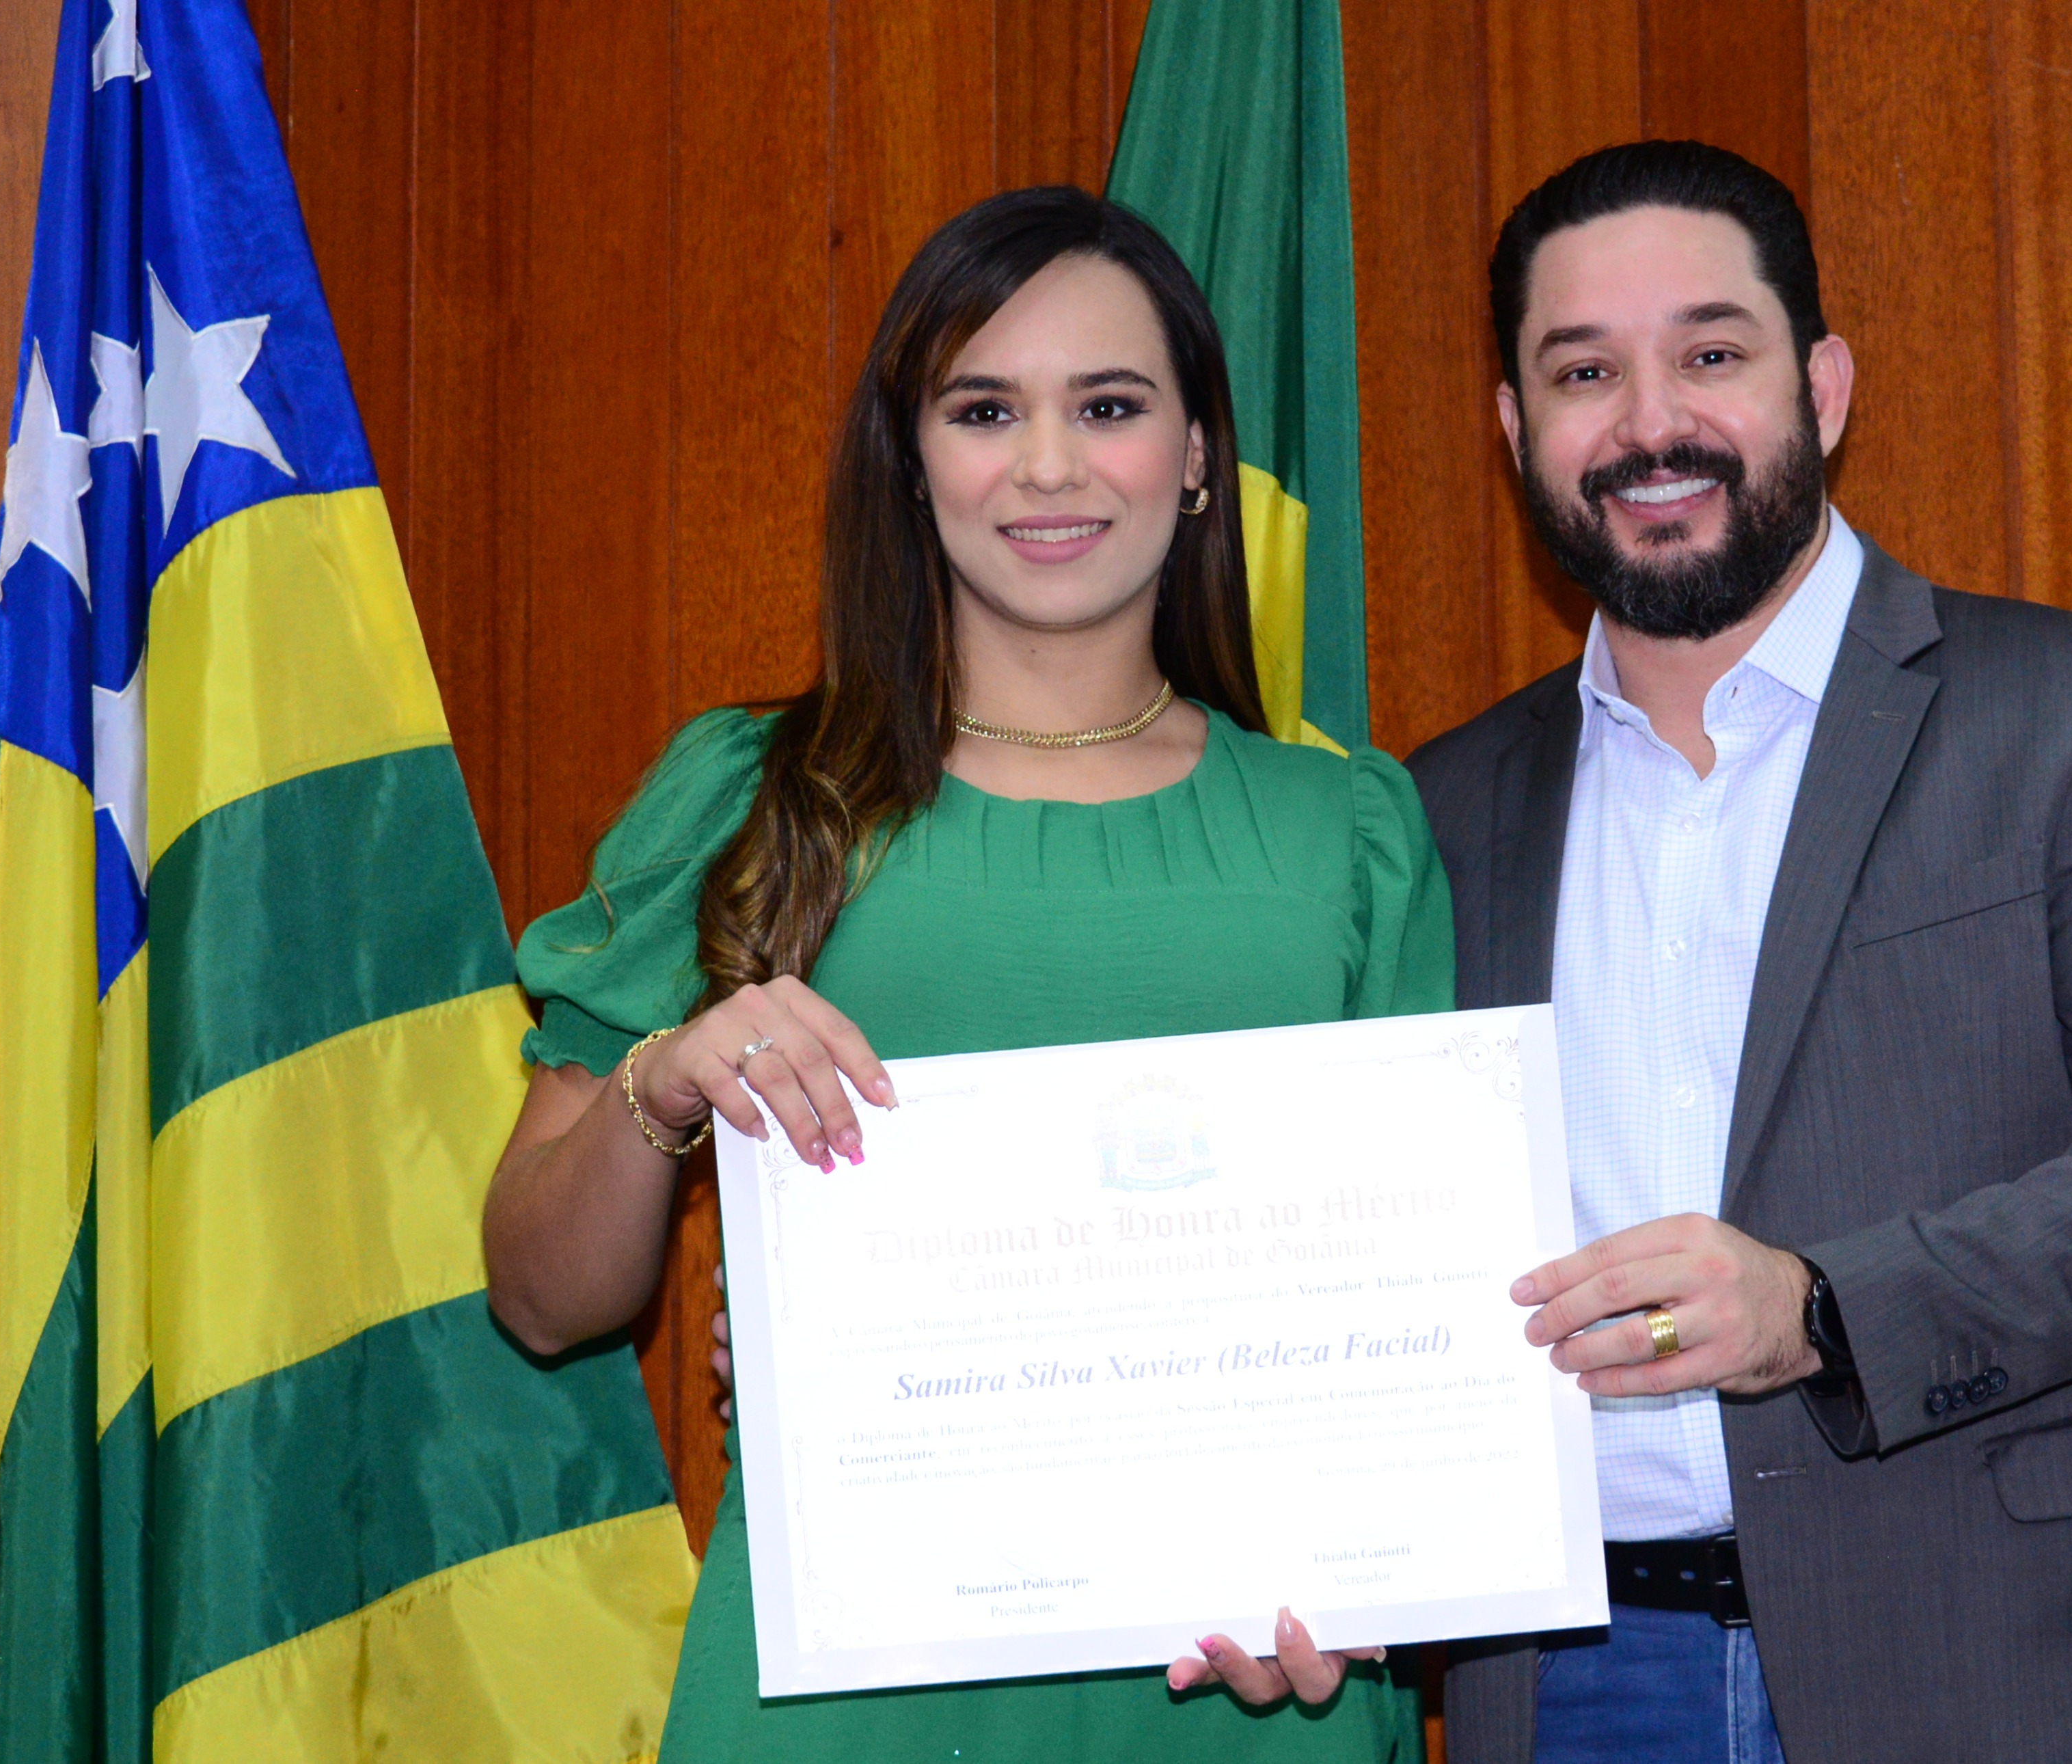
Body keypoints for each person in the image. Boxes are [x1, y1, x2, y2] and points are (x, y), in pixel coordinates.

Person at [481, 185, 1445, 1763]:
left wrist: (1386, 1569)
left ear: (1199, 454)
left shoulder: (1352, 834)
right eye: (984, 409)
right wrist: (665, 1081)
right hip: (851, 1697)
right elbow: (540, 1298)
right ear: (910, 458)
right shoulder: (751, 797)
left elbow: (1424, 1312)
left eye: (1109, 406)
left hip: (1256, 1696)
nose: (1048, 465)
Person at [1405, 142, 2072, 1764]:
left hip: (1995, 1659)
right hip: (1571, 1689)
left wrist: (1822, 1308)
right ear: (1514, 428)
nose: (1649, 424)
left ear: (1821, 388)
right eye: (1582, 373)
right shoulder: (1438, 808)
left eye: (1709, 354)